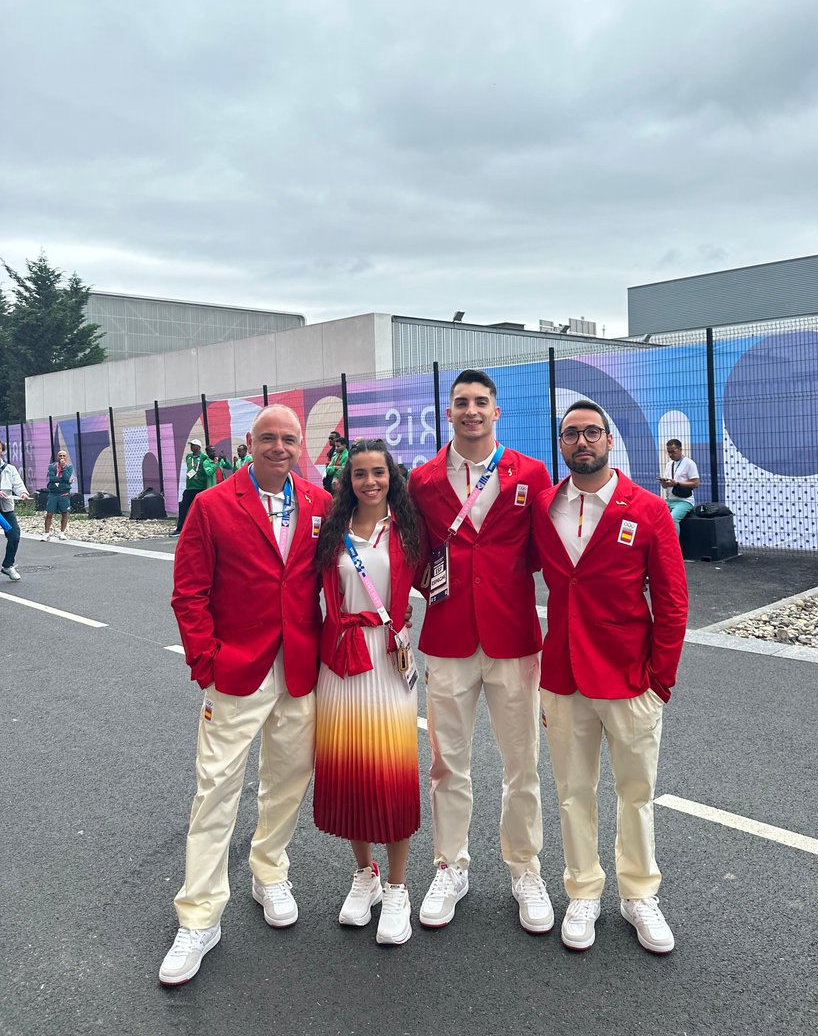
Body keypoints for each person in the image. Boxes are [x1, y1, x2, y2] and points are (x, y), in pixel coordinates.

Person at [160, 405, 330, 986]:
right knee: (215, 791)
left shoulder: (317, 503)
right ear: (248, 443)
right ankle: (199, 915)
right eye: (268, 439)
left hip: (300, 669)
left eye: (288, 439)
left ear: (300, 444)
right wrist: (205, 662)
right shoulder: (211, 506)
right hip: (236, 672)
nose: (278, 447)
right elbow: (188, 594)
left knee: (288, 779)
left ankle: (269, 868)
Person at [531, 401, 688, 955]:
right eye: (571, 434)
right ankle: (583, 890)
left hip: (630, 679)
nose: (581, 442)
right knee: (573, 792)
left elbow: (671, 601)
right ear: (561, 443)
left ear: (608, 440)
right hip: (563, 676)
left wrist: (660, 680)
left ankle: (639, 893)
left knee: (635, 792)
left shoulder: (646, 510)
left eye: (591, 432)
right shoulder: (544, 508)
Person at [408, 369, 554, 933]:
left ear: (498, 412)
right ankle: (451, 866)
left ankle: (525, 868)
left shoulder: (531, 473)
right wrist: (433, 587)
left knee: (523, 764)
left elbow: (544, 550)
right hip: (447, 638)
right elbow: (416, 551)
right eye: (461, 402)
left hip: (514, 638)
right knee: (447, 765)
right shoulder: (423, 480)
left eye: (481, 402)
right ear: (448, 414)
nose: (471, 410)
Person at [314, 439, 423, 946]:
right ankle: (366, 875)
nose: (370, 482)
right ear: (347, 480)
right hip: (338, 663)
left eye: (378, 472)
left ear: (391, 477)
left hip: (387, 661)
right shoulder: (330, 532)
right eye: (360, 474)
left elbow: (442, 583)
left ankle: (399, 887)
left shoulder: (409, 532)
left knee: (392, 774)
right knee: (351, 771)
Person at [0, 441, 31, 582]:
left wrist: (22, 493)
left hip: (5, 508)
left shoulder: (9, 469)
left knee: (14, 535)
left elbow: (18, 484)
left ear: (2, 451)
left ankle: (8, 565)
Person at [659, 439, 700, 536]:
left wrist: (677, 483)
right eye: (668, 452)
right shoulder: (669, 465)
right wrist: (664, 483)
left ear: (680, 449)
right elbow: (666, 486)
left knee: (673, 519)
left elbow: (696, 483)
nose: (671, 454)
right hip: (670, 499)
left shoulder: (689, 463)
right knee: (655, 513)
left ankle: (675, 545)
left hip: (685, 501)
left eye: (673, 451)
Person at [172, 439, 206, 534]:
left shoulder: (204, 457)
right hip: (190, 487)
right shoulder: (189, 457)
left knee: (200, 510)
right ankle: (180, 528)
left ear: (199, 447)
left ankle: (201, 529)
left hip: (200, 487)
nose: (191, 447)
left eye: (193, 445)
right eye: (191, 445)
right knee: (184, 507)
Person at [42, 449, 74, 541]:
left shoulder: (69, 467)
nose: (62, 457)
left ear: (66, 457)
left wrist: (64, 470)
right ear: (57, 457)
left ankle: (62, 533)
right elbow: (52, 478)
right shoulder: (52, 466)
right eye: (60, 456)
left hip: (63, 493)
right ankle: (46, 533)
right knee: (49, 513)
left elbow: (66, 477)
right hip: (53, 493)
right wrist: (65, 480)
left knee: (64, 512)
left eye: (64, 456)